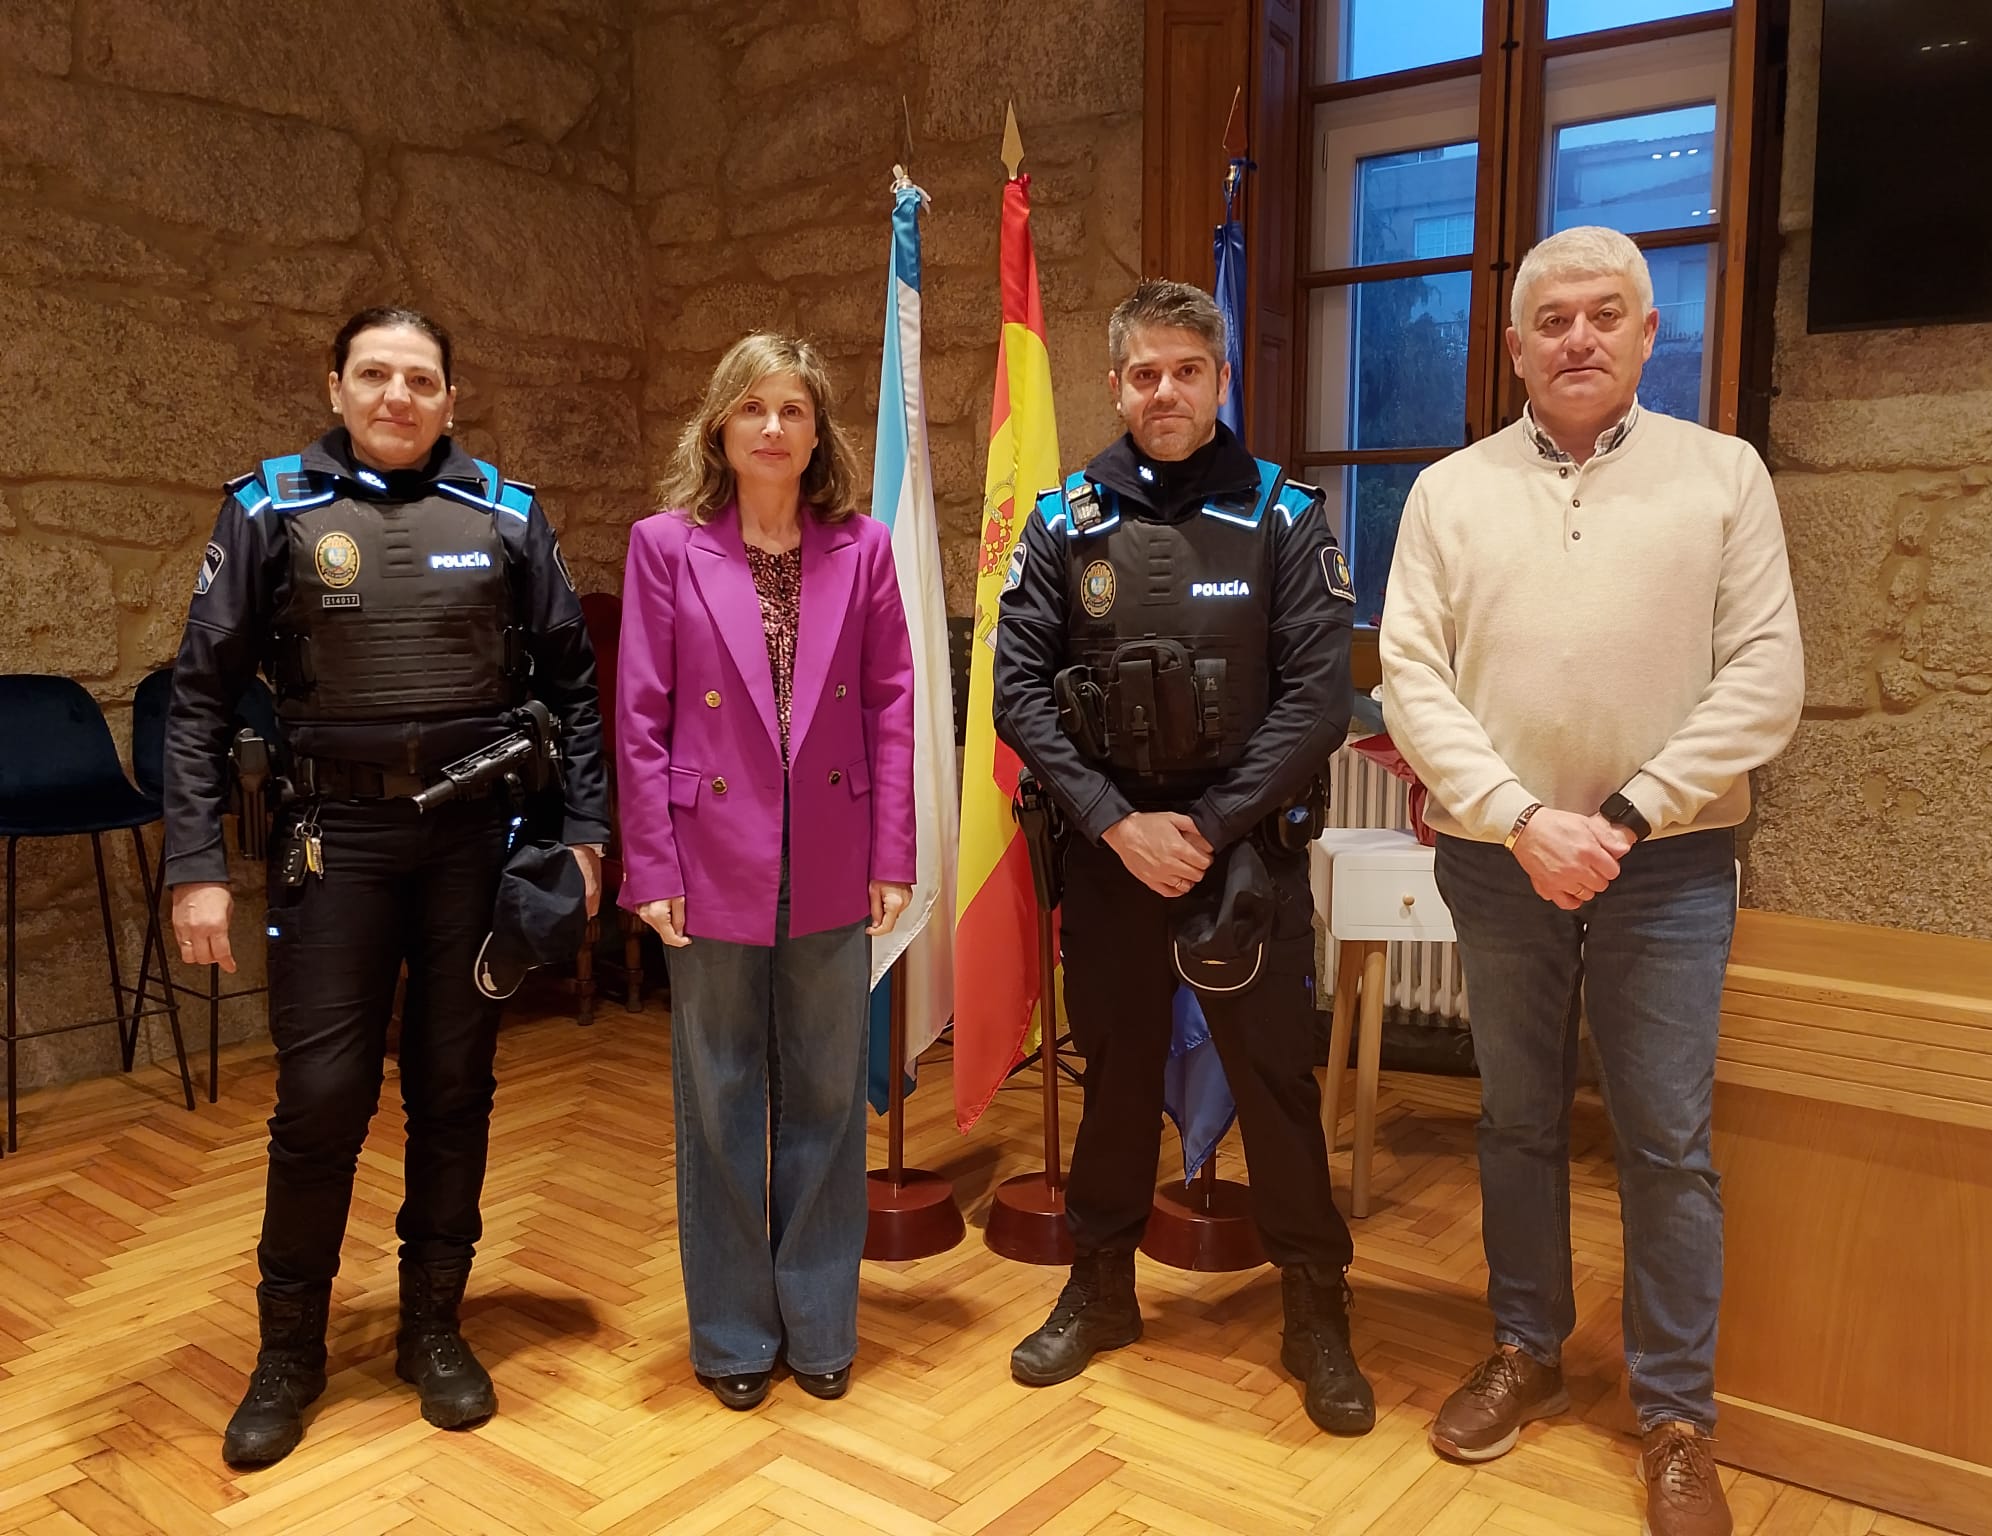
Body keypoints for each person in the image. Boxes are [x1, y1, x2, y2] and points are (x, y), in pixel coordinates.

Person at [1380, 226, 1803, 1536]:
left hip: (1667, 866)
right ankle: (1525, 1346)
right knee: (1511, 1116)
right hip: (1500, 862)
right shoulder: (1449, 493)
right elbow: (1410, 675)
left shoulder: (1722, 477)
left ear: (1645, 334)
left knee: (1665, 1140)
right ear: (1512, 348)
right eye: (1550, 319)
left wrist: (1616, 817)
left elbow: (1767, 680)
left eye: (1602, 315)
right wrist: (1520, 819)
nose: (1576, 338)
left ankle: (1676, 1414)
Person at [164, 306, 607, 1467]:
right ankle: (290, 1353)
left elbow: (575, 688)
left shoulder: (507, 517)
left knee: (456, 1089)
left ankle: (432, 1329)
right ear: (337, 386)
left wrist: (589, 837)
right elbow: (200, 700)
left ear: (451, 400)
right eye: (375, 375)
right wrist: (196, 866)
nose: (398, 396)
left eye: (421, 379)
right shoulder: (268, 510)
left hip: (473, 846)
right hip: (332, 844)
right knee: (322, 1100)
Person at [992, 279, 1375, 1437]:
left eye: (1187, 370)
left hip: (1242, 855)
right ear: (1115, 386)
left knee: (1277, 1085)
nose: (1165, 390)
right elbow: (1016, 692)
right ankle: (1102, 1285)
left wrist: (1204, 831)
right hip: (1112, 853)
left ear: (1222, 381)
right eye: (1144, 372)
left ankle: (1314, 1304)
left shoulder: (1283, 515)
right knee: (1111, 1075)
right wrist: (1117, 821)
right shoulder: (1065, 521)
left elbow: (1320, 702)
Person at [615, 332, 914, 1412]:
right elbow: (640, 717)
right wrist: (650, 862)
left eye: (793, 409)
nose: (775, 428)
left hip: (834, 855)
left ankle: (823, 1322)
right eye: (753, 409)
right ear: (720, 428)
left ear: (818, 430)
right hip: (709, 861)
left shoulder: (863, 549)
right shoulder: (664, 546)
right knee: (722, 1096)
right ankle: (736, 1332)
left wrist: (893, 851)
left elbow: (891, 708)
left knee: (832, 1096)